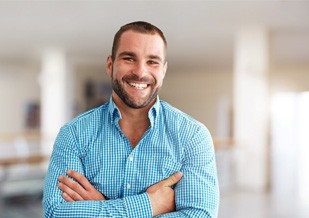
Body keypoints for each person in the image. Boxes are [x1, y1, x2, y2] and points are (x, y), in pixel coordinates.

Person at [43, 21, 219, 217]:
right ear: (110, 65)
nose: (140, 72)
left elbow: (200, 215)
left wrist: (101, 207)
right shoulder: (73, 134)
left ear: (163, 71)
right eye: (129, 58)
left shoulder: (192, 136)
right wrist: (150, 205)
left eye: (152, 61)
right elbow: (56, 213)